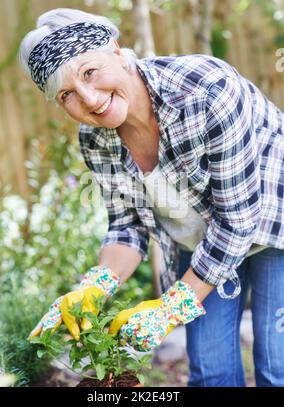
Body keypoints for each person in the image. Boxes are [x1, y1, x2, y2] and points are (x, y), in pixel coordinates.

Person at [19, 8, 284, 387]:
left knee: (277, 366)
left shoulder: (207, 91)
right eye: (67, 94)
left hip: (274, 220)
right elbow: (127, 227)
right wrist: (93, 286)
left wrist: (170, 307)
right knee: (210, 372)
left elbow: (238, 221)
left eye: (89, 73)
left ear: (115, 48)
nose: (90, 99)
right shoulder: (95, 139)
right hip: (202, 238)